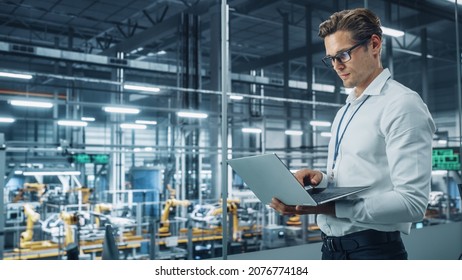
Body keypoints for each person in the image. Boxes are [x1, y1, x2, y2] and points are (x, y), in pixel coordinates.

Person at [270, 8, 435, 260]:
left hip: (373, 253)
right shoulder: (346, 110)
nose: (337, 66)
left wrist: (329, 207)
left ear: (374, 44)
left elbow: (412, 204)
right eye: (331, 58)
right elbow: (356, 177)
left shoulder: (402, 104)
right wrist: (321, 180)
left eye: (344, 55)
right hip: (333, 250)